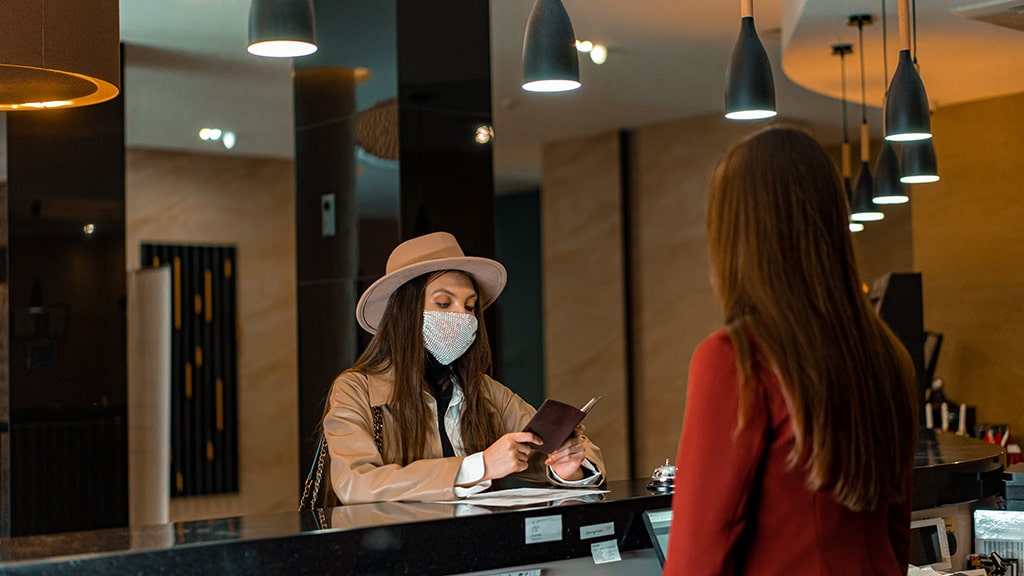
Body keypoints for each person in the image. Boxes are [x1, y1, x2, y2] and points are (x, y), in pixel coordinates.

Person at [663, 127, 917, 575]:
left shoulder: (736, 357)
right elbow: (897, 534)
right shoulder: (888, 355)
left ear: (735, 234)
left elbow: (697, 554)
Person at [322, 231, 605, 505]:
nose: (462, 315)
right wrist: (478, 467)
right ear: (404, 312)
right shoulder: (356, 389)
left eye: (470, 307)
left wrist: (569, 469)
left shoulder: (483, 390)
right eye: (444, 303)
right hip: (395, 547)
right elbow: (354, 482)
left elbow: (550, 449)